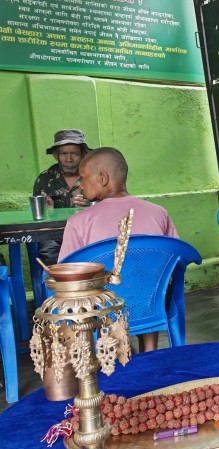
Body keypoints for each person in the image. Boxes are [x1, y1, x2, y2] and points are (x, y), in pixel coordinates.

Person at [58, 147, 179, 352]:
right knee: (148, 281)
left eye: (84, 178)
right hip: (154, 304)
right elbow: (177, 262)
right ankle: (150, 350)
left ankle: (109, 349)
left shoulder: (79, 221)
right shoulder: (159, 212)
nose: (80, 184)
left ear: (102, 178)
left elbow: (67, 274)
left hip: (105, 308)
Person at [32, 129, 91, 265]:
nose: (69, 159)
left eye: (75, 154)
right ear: (55, 155)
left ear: (83, 154)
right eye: (64, 153)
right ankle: (59, 281)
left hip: (87, 231)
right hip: (55, 236)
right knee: (49, 252)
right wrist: (47, 211)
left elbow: (107, 210)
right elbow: (38, 219)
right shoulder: (45, 179)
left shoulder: (93, 177)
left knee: (96, 254)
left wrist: (88, 208)